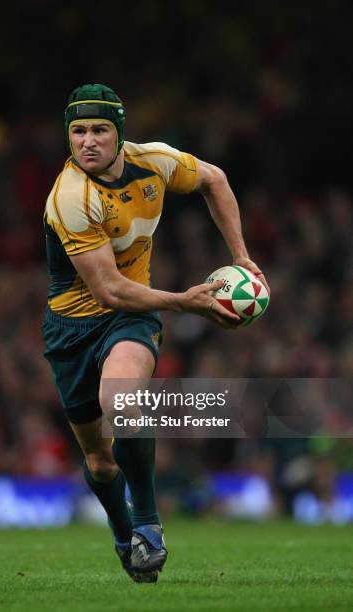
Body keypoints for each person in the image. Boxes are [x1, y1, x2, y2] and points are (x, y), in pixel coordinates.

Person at [42, 83, 268, 583]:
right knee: (100, 464)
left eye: (100, 129)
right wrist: (186, 302)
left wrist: (240, 257)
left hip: (132, 317)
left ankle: (147, 521)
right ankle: (125, 534)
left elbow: (216, 180)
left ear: (120, 134)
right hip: (74, 328)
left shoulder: (158, 161)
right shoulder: (70, 198)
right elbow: (108, 291)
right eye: (78, 131)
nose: (87, 142)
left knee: (122, 399)